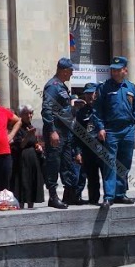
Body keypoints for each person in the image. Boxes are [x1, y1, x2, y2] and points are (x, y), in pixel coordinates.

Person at [94, 56, 135, 207]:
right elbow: (97, 110)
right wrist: (100, 127)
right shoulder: (104, 87)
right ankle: (109, 196)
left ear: (125, 71)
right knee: (110, 163)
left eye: (118, 70)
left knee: (125, 162)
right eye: (113, 70)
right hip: (111, 130)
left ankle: (120, 194)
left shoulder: (131, 87)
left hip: (128, 129)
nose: (114, 73)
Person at [41, 58, 77, 209]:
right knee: (53, 164)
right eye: (71, 70)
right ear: (64, 71)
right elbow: (46, 110)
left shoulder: (62, 86)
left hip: (66, 132)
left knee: (67, 163)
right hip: (57, 132)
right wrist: (52, 131)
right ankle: (53, 197)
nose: (72, 73)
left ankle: (69, 195)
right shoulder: (53, 86)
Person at [74, 83, 103, 205]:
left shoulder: (103, 109)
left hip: (103, 147)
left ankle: (110, 198)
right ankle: (93, 200)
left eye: (92, 93)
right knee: (92, 177)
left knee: (107, 175)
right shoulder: (81, 113)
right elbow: (77, 135)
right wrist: (78, 152)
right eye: (87, 94)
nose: (90, 96)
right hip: (88, 149)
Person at [11, 105, 45, 209]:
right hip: (22, 159)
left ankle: (31, 205)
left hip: (33, 159)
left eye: (31, 113)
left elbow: (34, 142)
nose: (29, 116)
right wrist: (28, 136)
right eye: (26, 113)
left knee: (31, 183)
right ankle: (21, 206)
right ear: (21, 115)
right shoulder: (18, 127)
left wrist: (38, 147)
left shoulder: (31, 126)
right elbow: (20, 145)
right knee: (23, 183)